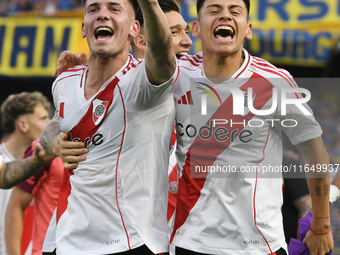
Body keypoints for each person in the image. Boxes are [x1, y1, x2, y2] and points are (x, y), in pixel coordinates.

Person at [49, 0, 334, 254]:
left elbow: (314, 151)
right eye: (214, 10)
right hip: (188, 242)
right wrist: (85, 68)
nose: (225, 17)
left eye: (235, 11)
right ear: (197, 28)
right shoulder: (177, 76)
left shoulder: (274, 81)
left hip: (258, 244)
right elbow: (121, 78)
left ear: (248, 29)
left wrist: (320, 224)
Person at [39, 0, 177, 254]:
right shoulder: (65, 81)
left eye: (114, 9)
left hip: (131, 242)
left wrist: (149, 3)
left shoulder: (145, 82)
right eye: (94, 9)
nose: (102, 15)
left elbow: (162, 52)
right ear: (83, 27)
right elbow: (50, 131)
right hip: (67, 240)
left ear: (135, 29)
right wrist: (56, 143)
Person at [0, 91, 50, 255]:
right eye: (43, 118)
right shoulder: (3, 165)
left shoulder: (51, 161)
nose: (50, 123)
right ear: (23, 125)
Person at [5, 139, 63, 255]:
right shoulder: (44, 146)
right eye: (41, 119)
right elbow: (16, 205)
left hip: (96, 246)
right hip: (49, 248)